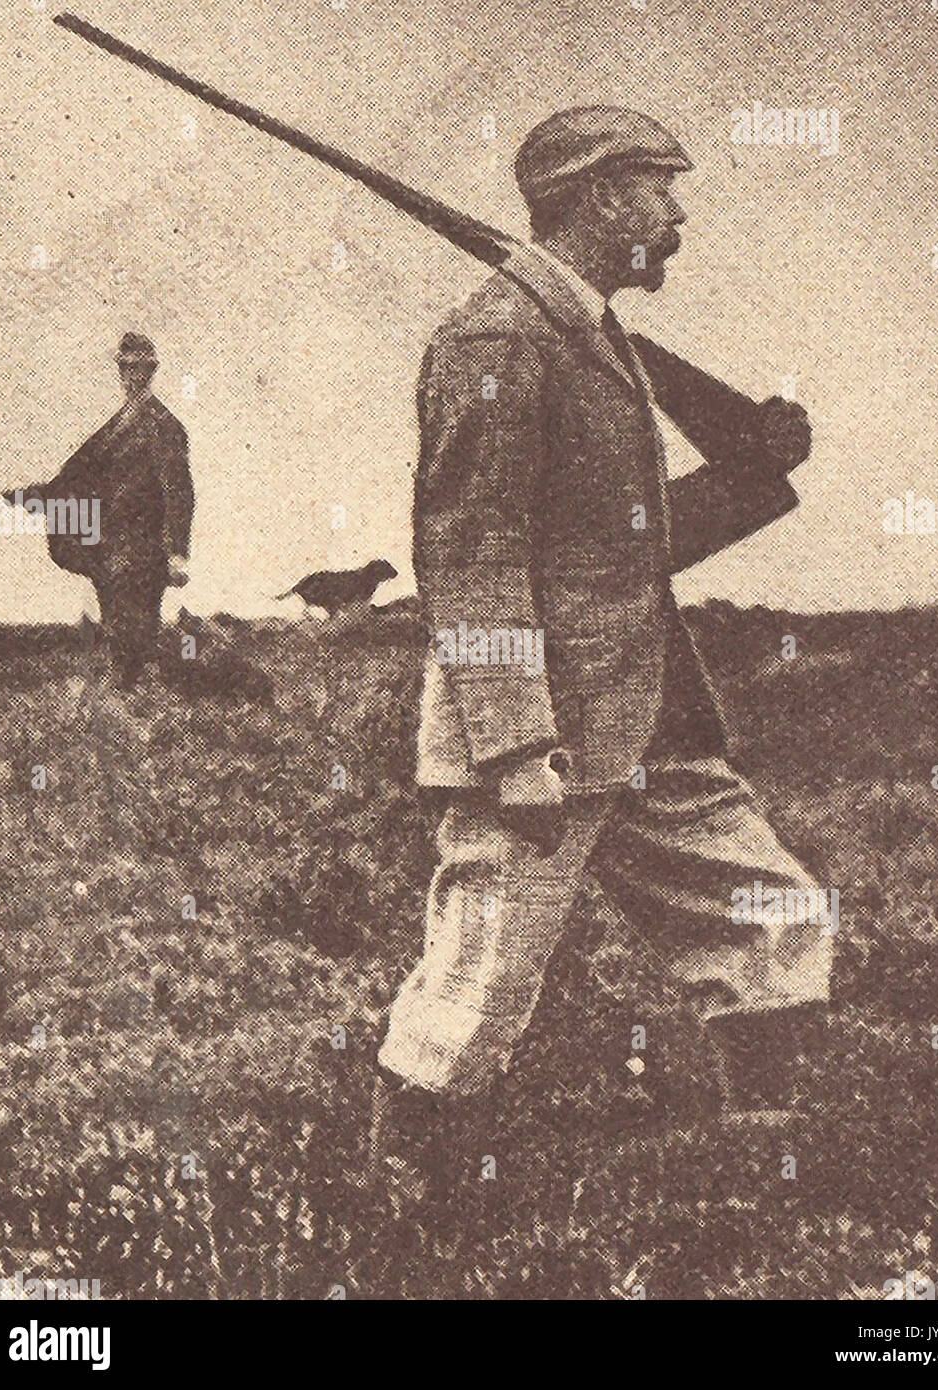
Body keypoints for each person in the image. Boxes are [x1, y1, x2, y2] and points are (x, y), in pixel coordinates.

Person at [369, 107, 834, 1186]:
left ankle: (769, 1165)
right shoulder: (496, 340)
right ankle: (411, 1223)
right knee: (476, 985)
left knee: (770, 913)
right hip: (543, 740)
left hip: (644, 716)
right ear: (594, 199)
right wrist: (514, 749)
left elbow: (618, 546)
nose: (674, 216)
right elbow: (473, 560)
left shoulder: (590, 331)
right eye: (656, 191)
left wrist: (754, 475)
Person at [6, 333, 194, 687]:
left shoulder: (165, 427)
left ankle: (142, 694)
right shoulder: (116, 425)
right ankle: (135, 693)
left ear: (151, 372)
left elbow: (179, 492)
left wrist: (176, 552)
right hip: (108, 545)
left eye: (139, 368)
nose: (131, 376)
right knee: (118, 624)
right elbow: (78, 473)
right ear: (120, 371)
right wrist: (39, 495)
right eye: (125, 368)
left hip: (144, 547)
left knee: (134, 627)